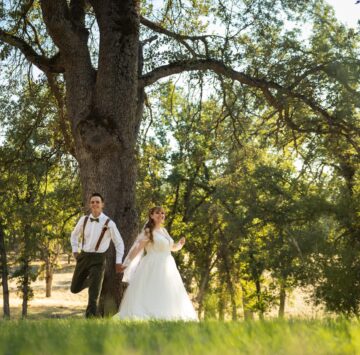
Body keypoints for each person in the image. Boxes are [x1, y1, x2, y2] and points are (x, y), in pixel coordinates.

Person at [114, 206, 198, 321]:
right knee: (153, 290)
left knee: (167, 291)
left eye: (163, 213)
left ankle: (165, 315)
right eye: (158, 213)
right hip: (153, 265)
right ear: (151, 215)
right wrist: (126, 263)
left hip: (168, 266)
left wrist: (180, 245)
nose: (161, 215)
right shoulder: (149, 231)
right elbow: (137, 248)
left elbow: (171, 248)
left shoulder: (164, 231)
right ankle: (151, 313)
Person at [70, 192, 125, 318]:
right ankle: (94, 282)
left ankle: (90, 320)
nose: (95, 204)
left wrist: (118, 261)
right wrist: (75, 250)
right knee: (74, 288)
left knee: (93, 296)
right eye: (92, 202)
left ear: (102, 205)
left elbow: (119, 243)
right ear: (89, 204)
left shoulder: (109, 223)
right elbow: (74, 235)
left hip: (98, 259)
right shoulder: (83, 220)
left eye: (97, 202)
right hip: (83, 256)